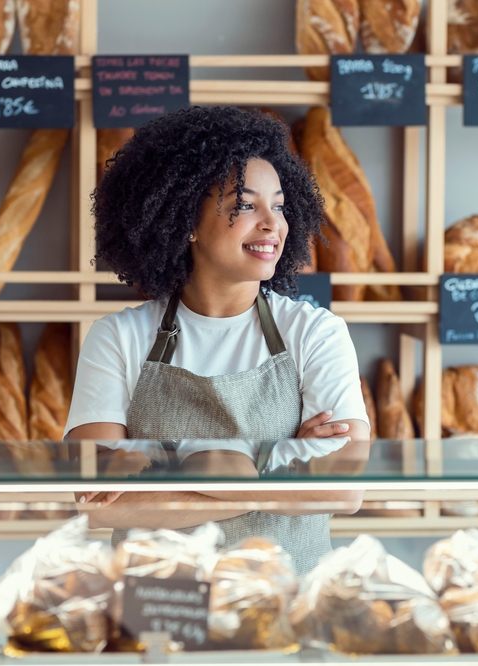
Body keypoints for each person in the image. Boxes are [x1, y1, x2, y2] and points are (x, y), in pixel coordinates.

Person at [65, 106, 369, 574]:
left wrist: (173, 469)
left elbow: (343, 491)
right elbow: (101, 505)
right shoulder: (117, 338)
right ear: (185, 220)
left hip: (285, 609)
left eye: (280, 205)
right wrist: (279, 464)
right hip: (162, 611)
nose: (273, 224)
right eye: (245, 205)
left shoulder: (316, 333)